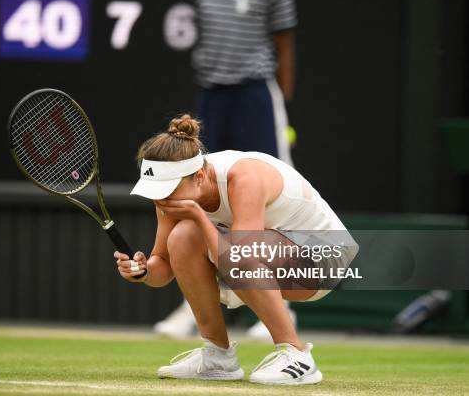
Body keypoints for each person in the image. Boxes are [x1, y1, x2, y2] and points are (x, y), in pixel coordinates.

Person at [115, 115, 358, 385]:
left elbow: (242, 256)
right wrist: (142, 271)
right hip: (271, 258)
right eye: (155, 190)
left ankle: (298, 355)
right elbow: (163, 268)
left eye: (168, 189)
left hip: (325, 258)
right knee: (182, 236)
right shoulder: (169, 195)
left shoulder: (245, 177)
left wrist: (198, 217)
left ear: (198, 176)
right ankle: (218, 355)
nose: (161, 198)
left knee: (225, 246)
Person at [155, 0, 299, 339]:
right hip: (212, 93)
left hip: (256, 93)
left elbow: (284, 42)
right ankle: (194, 306)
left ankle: (283, 307)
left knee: (270, 192)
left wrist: (281, 101)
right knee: (191, 185)